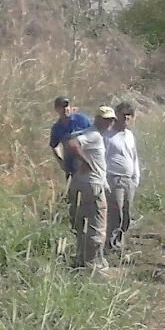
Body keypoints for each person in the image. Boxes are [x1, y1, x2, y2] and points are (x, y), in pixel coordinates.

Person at [63, 106, 115, 270]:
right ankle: (93, 263)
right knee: (97, 224)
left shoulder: (92, 134)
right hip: (92, 184)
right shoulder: (93, 135)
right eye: (105, 119)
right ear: (97, 119)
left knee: (83, 223)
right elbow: (72, 144)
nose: (108, 123)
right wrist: (85, 161)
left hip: (85, 182)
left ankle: (82, 259)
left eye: (110, 120)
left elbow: (68, 139)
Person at [104, 101, 140, 254]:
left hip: (129, 179)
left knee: (126, 213)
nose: (126, 119)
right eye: (123, 115)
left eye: (129, 116)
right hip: (114, 178)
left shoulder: (130, 135)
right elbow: (102, 157)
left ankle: (120, 242)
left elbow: (134, 157)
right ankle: (112, 245)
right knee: (115, 213)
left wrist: (136, 176)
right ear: (116, 116)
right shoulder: (108, 135)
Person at [49, 96, 92, 182]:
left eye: (66, 106)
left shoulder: (82, 120)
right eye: (61, 107)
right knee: (72, 194)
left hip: (87, 164)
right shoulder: (57, 128)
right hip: (71, 167)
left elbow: (95, 134)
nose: (65, 109)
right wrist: (61, 162)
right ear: (56, 110)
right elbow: (54, 145)